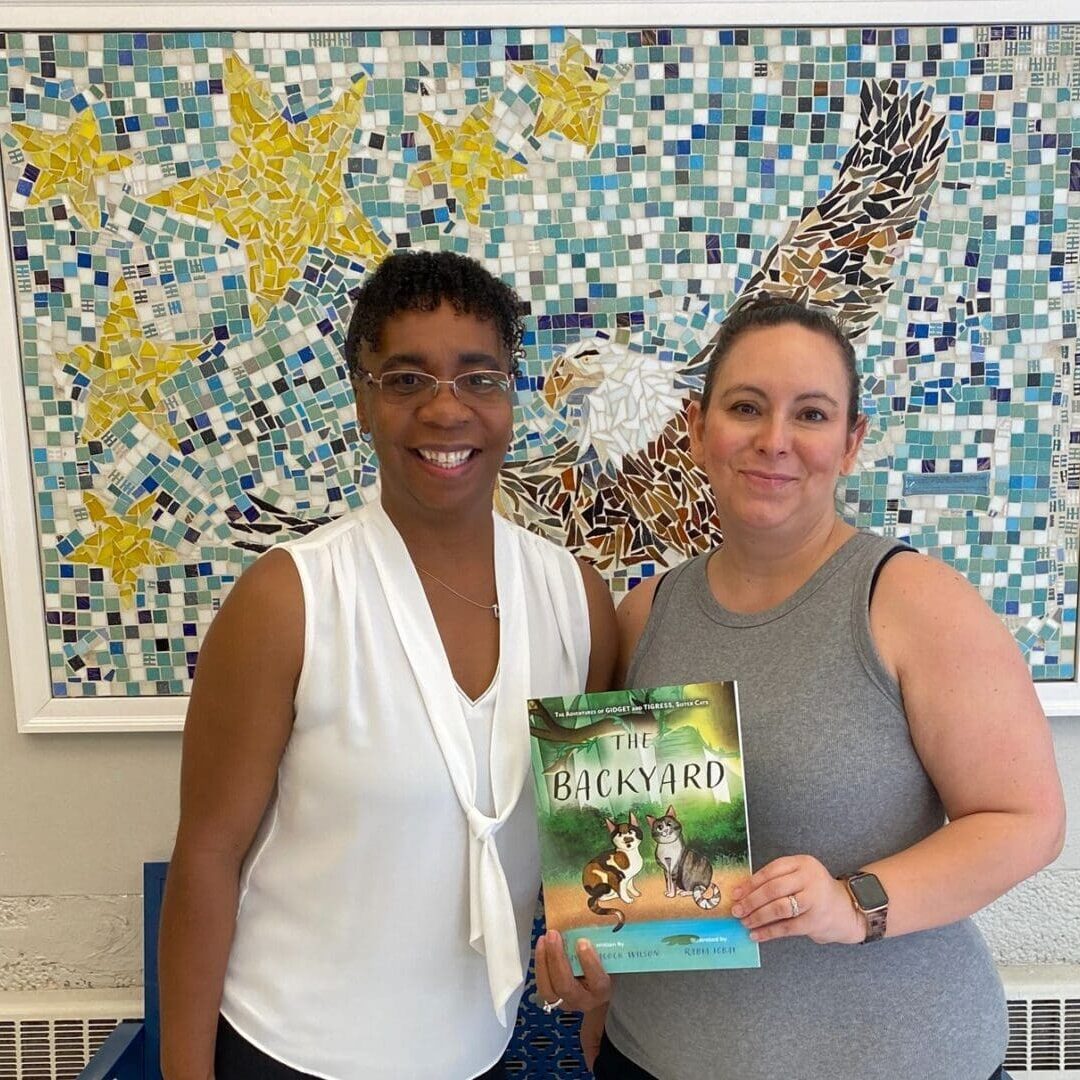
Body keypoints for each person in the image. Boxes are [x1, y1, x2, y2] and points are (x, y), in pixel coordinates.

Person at [533, 294, 1066, 1080]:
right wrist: (593, 967)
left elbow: (1027, 821)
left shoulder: (913, 603)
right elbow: (632, 862)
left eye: (811, 415)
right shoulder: (644, 616)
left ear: (850, 443)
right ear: (697, 428)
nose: (774, 441)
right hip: (651, 1060)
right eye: (746, 407)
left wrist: (855, 903)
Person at [158, 249, 617, 1080]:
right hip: (288, 1049)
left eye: (478, 378)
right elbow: (207, 855)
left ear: (510, 397)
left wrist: (596, 963)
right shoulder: (289, 599)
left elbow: (588, 843)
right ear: (363, 402)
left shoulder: (575, 600)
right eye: (406, 380)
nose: (447, 411)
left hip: (475, 1053)